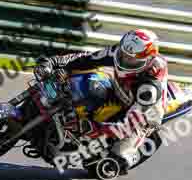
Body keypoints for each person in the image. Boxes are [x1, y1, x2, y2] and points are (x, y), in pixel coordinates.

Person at [33, 28, 168, 172]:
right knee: (90, 86)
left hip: (145, 111)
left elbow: (128, 125)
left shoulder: (149, 88)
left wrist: (94, 128)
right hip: (121, 88)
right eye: (124, 55)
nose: (125, 60)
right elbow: (88, 59)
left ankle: (128, 158)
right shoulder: (119, 52)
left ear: (147, 61)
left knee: (117, 160)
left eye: (132, 59)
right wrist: (55, 63)